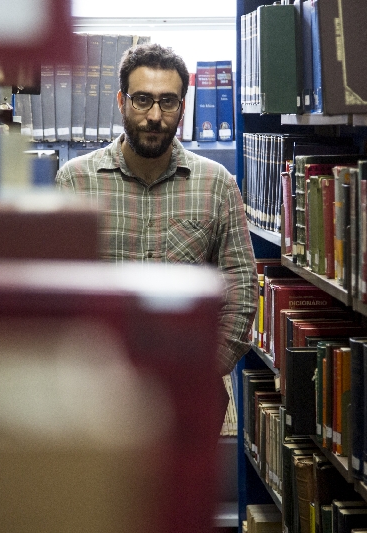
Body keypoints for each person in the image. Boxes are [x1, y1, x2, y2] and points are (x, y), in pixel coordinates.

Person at [56, 43, 257, 377]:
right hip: (97, 386)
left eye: (168, 102)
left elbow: (241, 285)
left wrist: (204, 370)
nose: (154, 116)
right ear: (122, 101)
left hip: (190, 379)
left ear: (182, 106)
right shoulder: (75, 181)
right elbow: (59, 285)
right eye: (142, 99)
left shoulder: (216, 184)